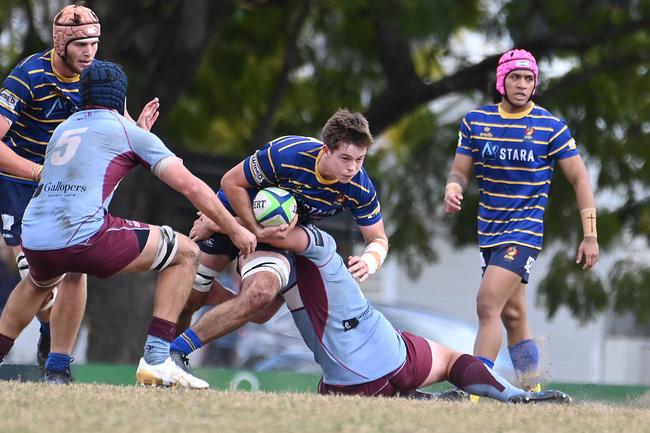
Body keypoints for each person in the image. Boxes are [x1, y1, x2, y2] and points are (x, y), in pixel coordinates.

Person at [0, 60, 257, 387]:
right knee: (186, 253)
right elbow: (190, 186)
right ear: (122, 99)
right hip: (82, 236)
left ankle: (56, 370)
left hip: (35, 236)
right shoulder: (126, 132)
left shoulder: (65, 128)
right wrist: (234, 228)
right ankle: (157, 357)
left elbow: (102, 165)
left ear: (82, 94)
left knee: (41, 282)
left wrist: (136, 134)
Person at [0, 4, 159, 380]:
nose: (89, 52)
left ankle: (56, 358)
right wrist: (39, 171)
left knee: (69, 270)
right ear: (60, 44)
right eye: (81, 45)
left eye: (94, 43)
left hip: (71, 191)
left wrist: (138, 129)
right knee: (36, 275)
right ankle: (50, 333)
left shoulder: (99, 80)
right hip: (22, 187)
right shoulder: (28, 75)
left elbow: (116, 133)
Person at [170, 109, 389, 361]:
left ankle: (176, 352)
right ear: (325, 150)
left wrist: (369, 261)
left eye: (360, 159)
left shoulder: (360, 187)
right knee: (190, 297)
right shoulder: (289, 154)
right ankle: (164, 363)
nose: (352, 168)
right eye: (346, 158)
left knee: (260, 303)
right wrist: (238, 226)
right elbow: (231, 182)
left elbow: (379, 239)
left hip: (275, 232)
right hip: (232, 210)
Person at [443, 49, 599, 391]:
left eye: (529, 79)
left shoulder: (550, 126)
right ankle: (532, 391)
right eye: (515, 77)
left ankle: (476, 391)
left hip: (524, 232)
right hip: (489, 231)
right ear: (501, 81)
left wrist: (590, 235)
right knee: (512, 316)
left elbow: (580, 179)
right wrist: (454, 187)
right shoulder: (476, 122)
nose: (522, 84)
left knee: (487, 304)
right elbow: (460, 170)